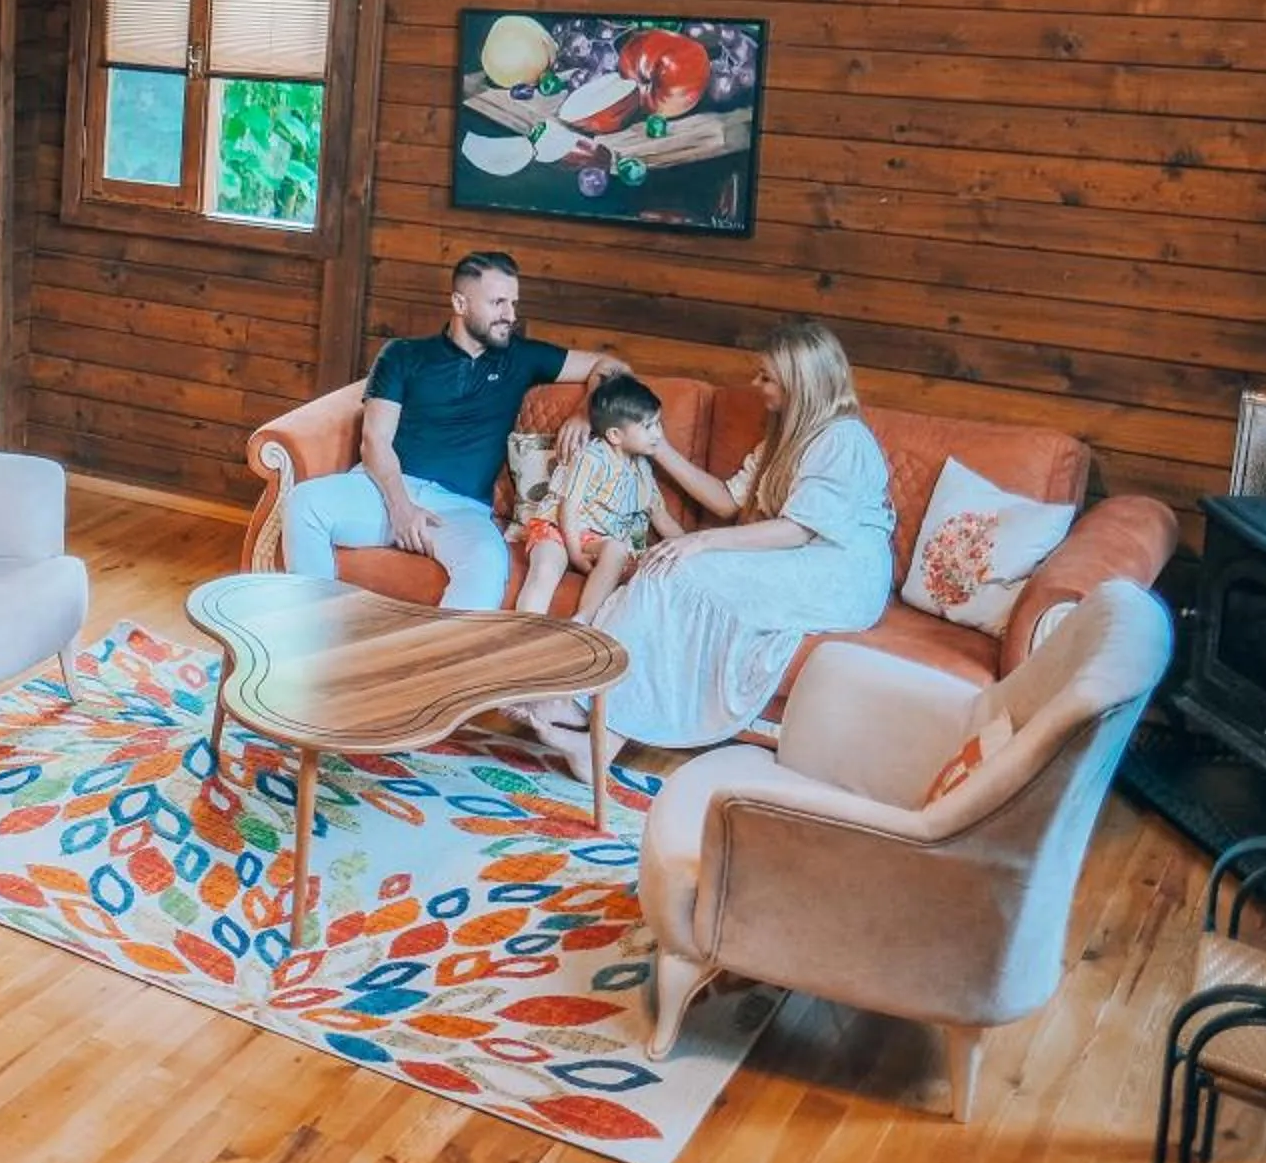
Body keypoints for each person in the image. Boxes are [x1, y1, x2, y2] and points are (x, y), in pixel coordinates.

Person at [526, 319, 897, 776]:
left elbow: (797, 530)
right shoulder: (785, 437)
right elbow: (726, 499)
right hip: (800, 557)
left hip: (841, 573)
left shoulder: (842, 437)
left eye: (767, 378)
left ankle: (581, 701)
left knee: (677, 569)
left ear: (801, 385)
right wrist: (656, 447)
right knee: (664, 573)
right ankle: (601, 738)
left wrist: (701, 543)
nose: (756, 385)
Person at [280, 251, 631, 610]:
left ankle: (440, 665)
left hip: (460, 509)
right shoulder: (402, 355)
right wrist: (401, 508)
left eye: (513, 303)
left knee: (486, 563)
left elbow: (613, 366)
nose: (510, 315)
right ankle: (312, 631)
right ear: (460, 303)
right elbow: (375, 441)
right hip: (383, 490)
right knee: (304, 503)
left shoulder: (522, 357)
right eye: (498, 303)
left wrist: (586, 413)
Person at [512, 372, 680, 618]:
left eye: (658, 424)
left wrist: (695, 548)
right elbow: (568, 508)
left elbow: (660, 516)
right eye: (648, 426)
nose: (658, 434)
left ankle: (583, 621)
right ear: (614, 435)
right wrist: (575, 554)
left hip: (600, 541)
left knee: (617, 549)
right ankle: (524, 632)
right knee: (545, 569)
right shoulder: (591, 457)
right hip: (559, 529)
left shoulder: (642, 469)